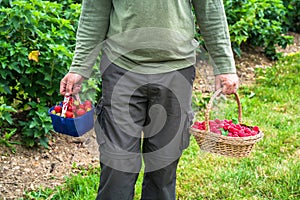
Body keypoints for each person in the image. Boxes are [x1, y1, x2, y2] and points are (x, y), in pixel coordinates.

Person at [60, 0, 239, 199]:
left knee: (163, 165)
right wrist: (79, 67)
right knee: (117, 163)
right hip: (121, 68)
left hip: (175, 70)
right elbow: (94, 12)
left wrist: (224, 66)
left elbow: (210, 8)